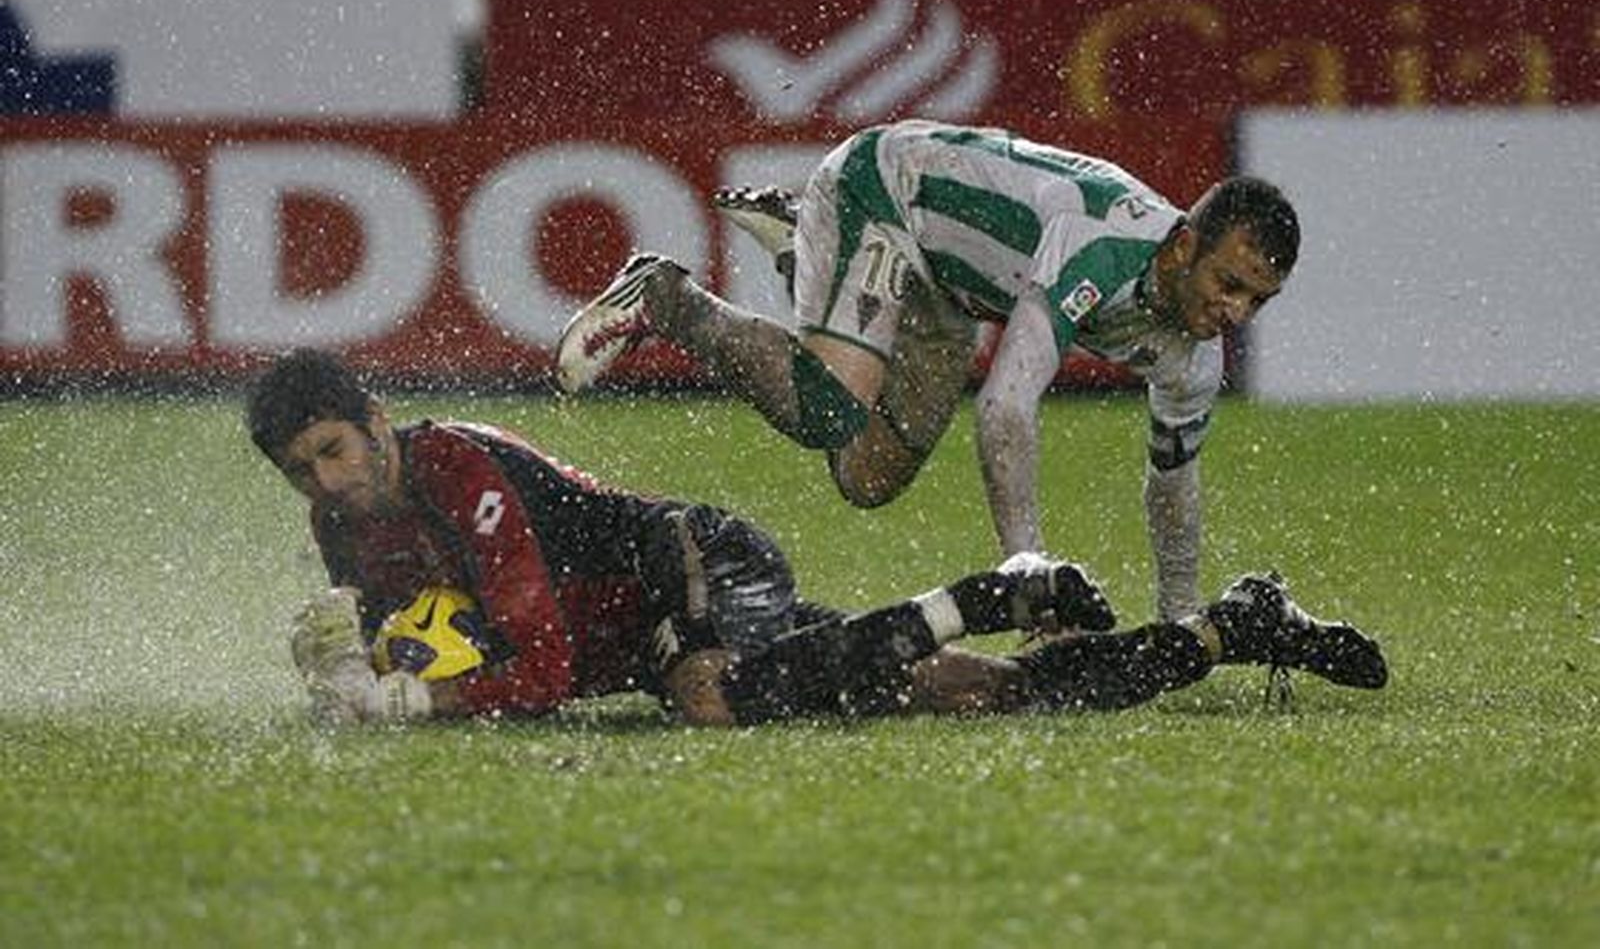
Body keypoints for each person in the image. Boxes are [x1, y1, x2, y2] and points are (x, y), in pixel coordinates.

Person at [250, 348, 1385, 726]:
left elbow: (535, 669)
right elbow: (423, 638)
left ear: (378, 422)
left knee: (711, 694)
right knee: (979, 695)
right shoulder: (339, 531)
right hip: (641, 642)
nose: (331, 482)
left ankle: (978, 594)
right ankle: (1230, 628)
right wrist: (350, 667)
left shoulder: (459, 471)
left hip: (691, 566)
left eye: (338, 450)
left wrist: (408, 700)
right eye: (307, 470)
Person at [557, 119, 1301, 623]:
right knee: (828, 412)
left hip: (954, 284)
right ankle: (665, 294)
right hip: (891, 190)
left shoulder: (1194, 354)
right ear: (1182, 248)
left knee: (867, 476)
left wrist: (1179, 617)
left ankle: (798, 252)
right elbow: (1006, 405)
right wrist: (1025, 567)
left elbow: (1173, 483)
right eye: (1228, 284)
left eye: (1258, 300)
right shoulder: (1102, 245)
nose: (1236, 312)